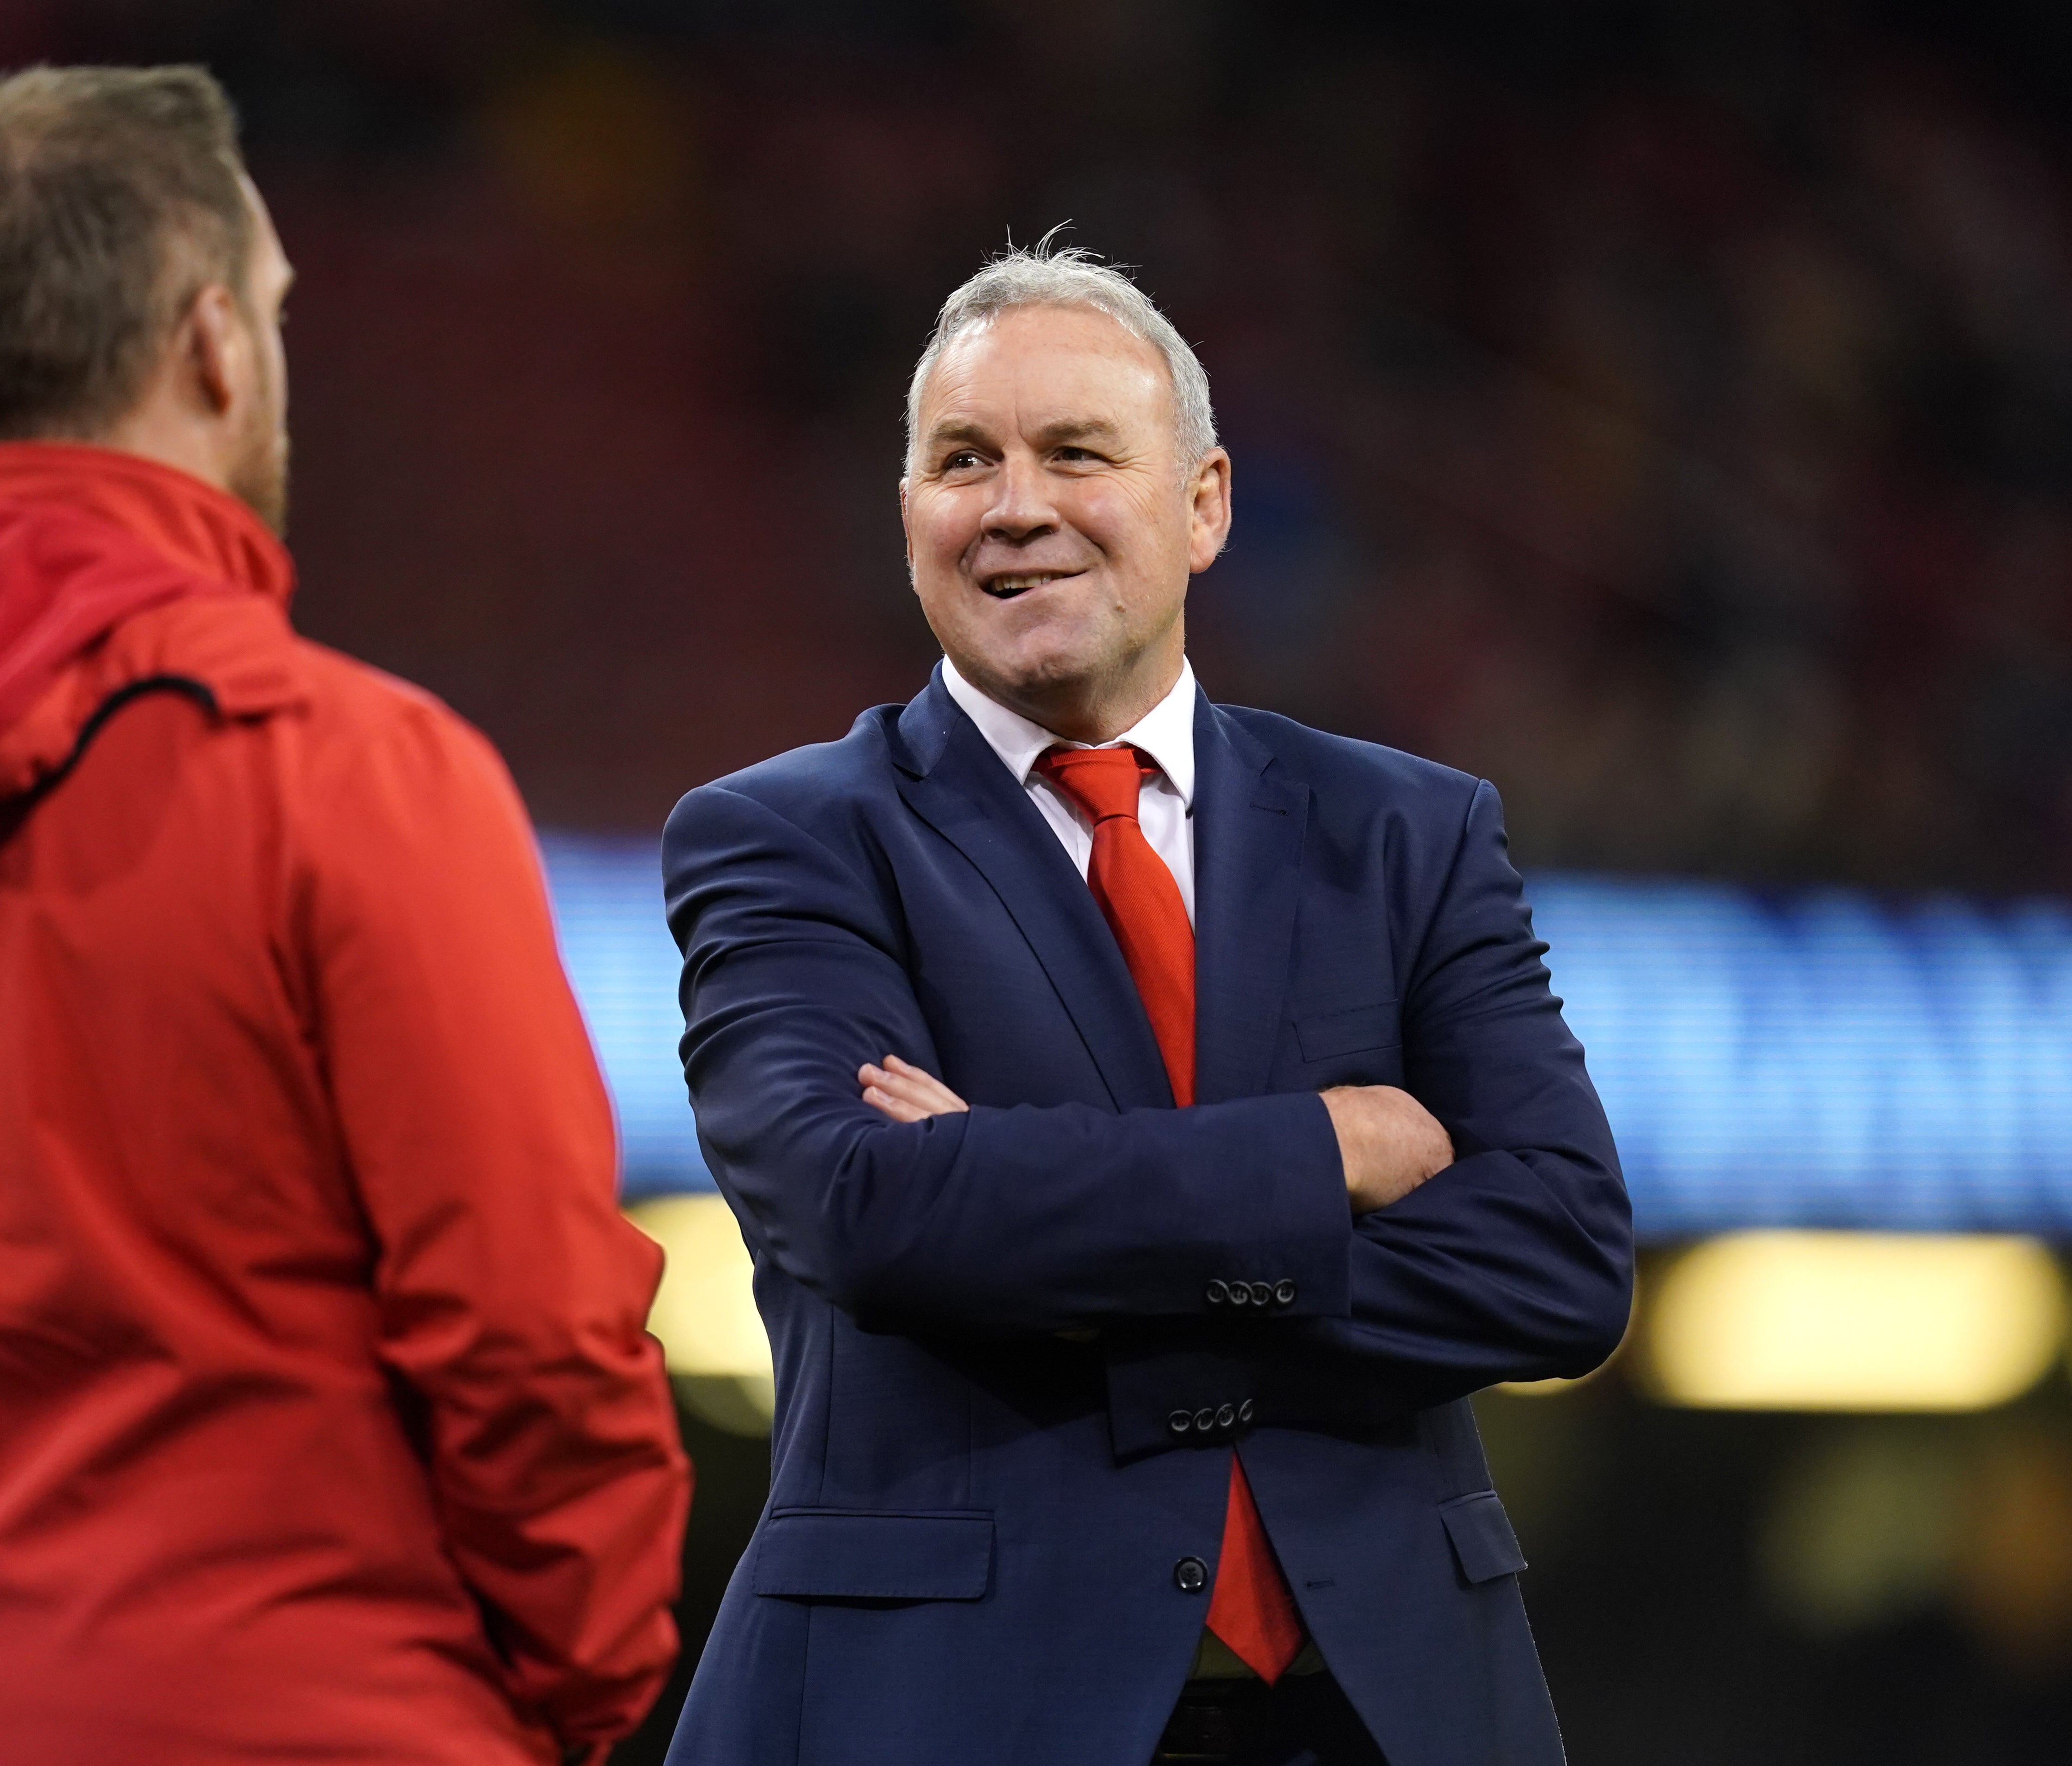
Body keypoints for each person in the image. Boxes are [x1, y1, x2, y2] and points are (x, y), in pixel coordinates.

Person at [0, 65, 688, 1766]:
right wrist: (572, 1694)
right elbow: (530, 1338)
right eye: (282, 312)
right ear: (214, 344)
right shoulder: (364, 777)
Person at [658, 242, 1633, 1766]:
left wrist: (1022, 1203)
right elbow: (864, 1209)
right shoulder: (784, 837)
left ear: (1205, 504)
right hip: (947, 1713)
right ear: (909, 511)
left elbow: (1562, 1259)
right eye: (961, 460)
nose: (1016, 504)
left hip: (1385, 1709)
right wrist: (1319, 1160)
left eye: (1075, 453)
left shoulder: (1406, 831)